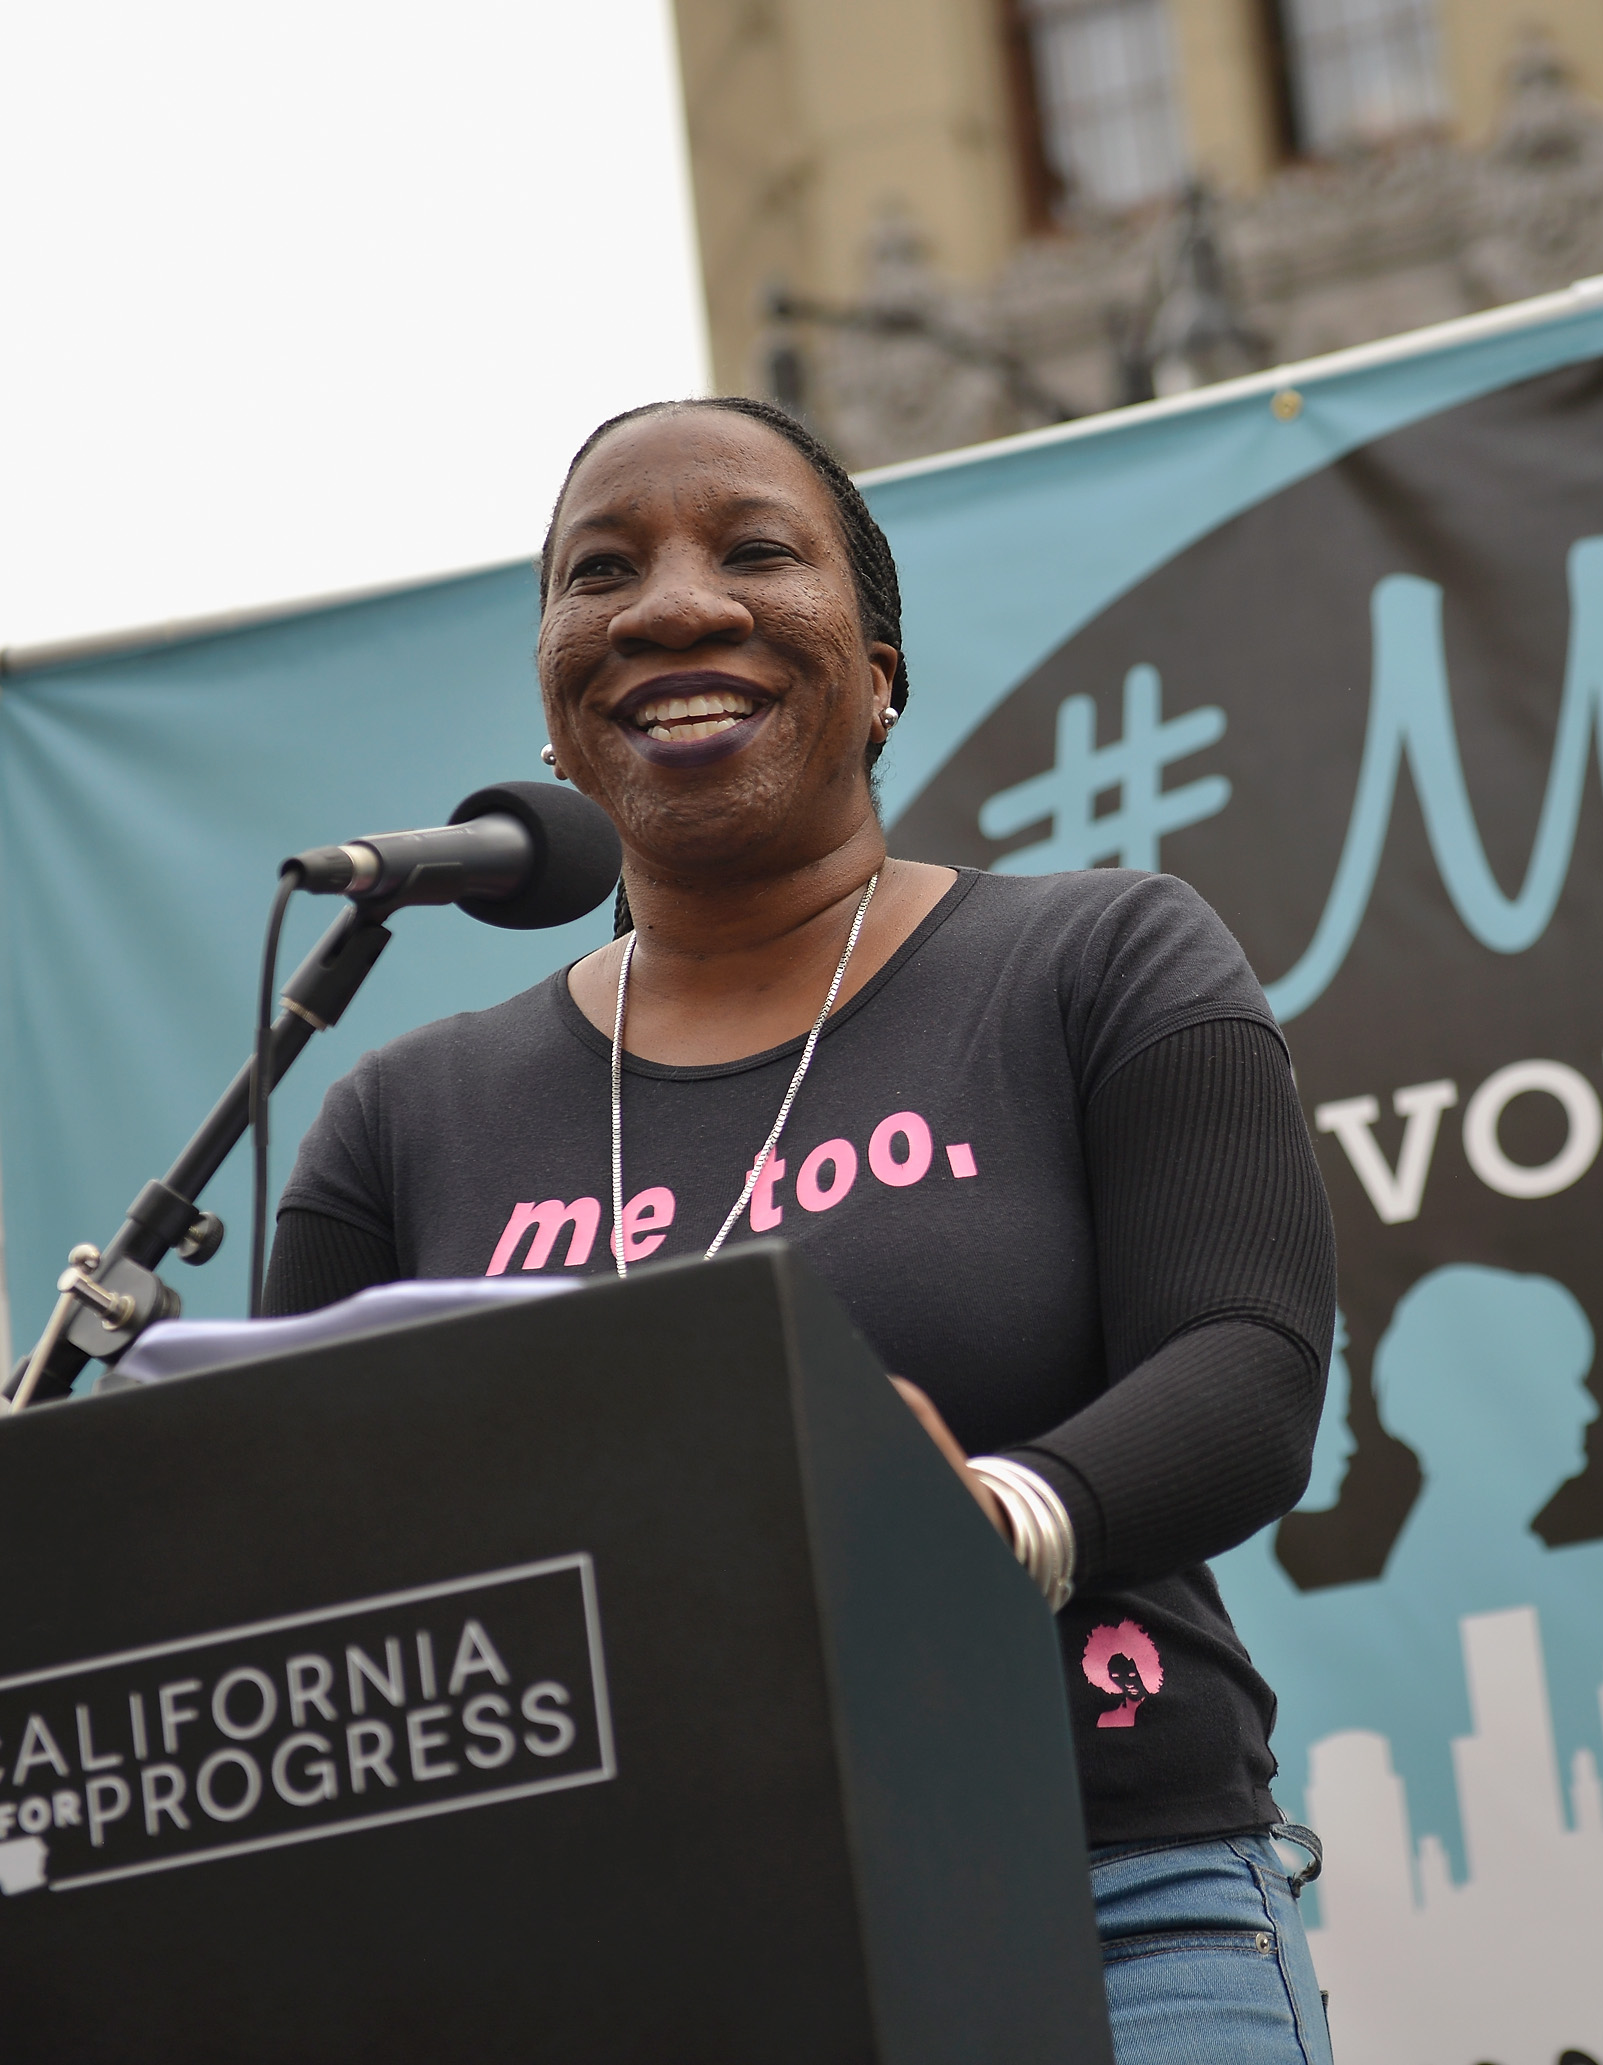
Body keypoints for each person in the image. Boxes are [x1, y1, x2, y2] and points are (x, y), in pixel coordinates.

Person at [266, 396, 1340, 2062]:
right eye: (600, 571)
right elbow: (293, 1562)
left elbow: (1246, 1364)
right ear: (554, 707)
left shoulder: (1103, 961)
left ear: (880, 668)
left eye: (755, 551)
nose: (672, 605)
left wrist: (983, 1522)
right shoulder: (400, 1120)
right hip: (610, 1972)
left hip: (1100, 1903)